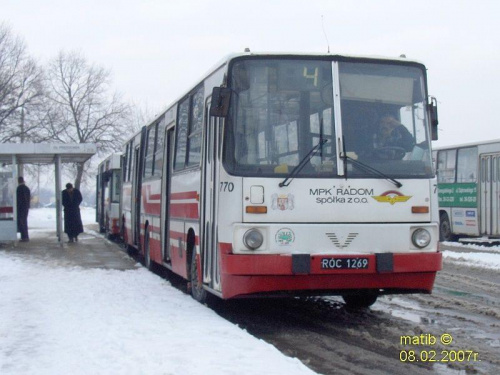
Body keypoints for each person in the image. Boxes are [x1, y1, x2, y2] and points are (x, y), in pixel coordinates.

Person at [16, 176, 31, 242]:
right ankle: (25, 236)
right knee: (24, 222)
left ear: (18, 181)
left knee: (21, 222)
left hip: (21, 208)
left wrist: (17, 207)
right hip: (26, 208)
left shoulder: (19, 188)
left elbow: (19, 199)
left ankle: (24, 237)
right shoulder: (27, 188)